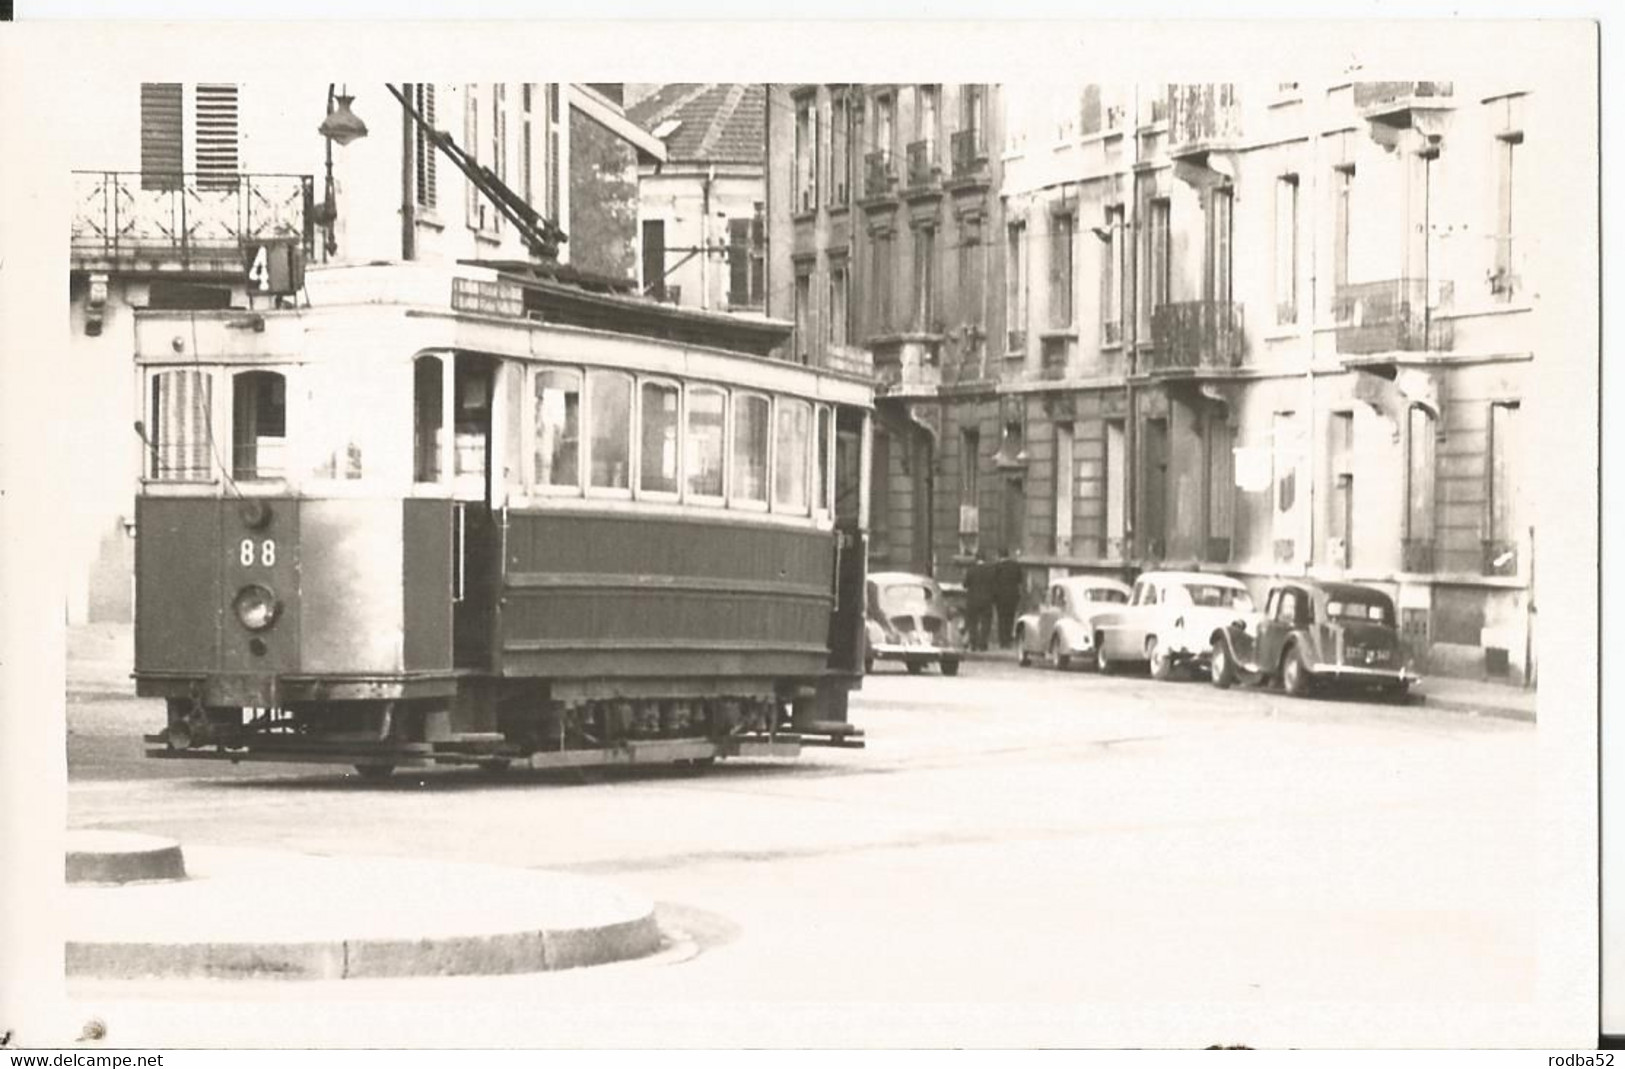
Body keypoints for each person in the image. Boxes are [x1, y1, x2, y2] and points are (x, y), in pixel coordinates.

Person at [992, 547, 1024, 649]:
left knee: (1001, 619)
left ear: (999, 555)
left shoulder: (997, 567)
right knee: (1010, 618)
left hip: (1000, 597)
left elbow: (994, 582)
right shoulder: (1015, 566)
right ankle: (1008, 640)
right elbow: (1020, 580)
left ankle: (1002, 641)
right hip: (1012, 596)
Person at [963, 550, 995, 652]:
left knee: (973, 623)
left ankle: (973, 644)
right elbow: (994, 584)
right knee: (986, 622)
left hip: (973, 600)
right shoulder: (991, 570)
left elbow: (965, 584)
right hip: (987, 600)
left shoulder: (971, 570)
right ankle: (983, 644)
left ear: (976, 559)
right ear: (984, 559)